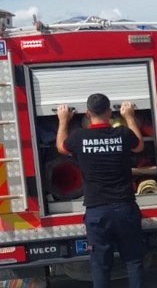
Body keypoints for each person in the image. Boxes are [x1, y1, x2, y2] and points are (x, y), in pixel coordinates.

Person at [56, 93, 145, 288]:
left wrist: (63, 120)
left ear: (87, 114)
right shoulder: (122, 133)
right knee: (133, 261)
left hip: (97, 214)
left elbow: (61, 148)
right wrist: (130, 116)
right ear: (110, 112)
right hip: (125, 209)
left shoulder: (79, 137)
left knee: (101, 266)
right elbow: (139, 147)